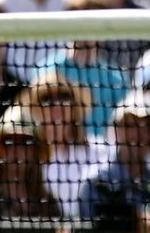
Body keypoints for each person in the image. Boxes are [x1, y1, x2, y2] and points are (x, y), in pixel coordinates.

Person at [18, 72, 100, 217]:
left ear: (74, 107)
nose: (56, 104)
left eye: (64, 96)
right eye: (47, 98)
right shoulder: (29, 156)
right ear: (36, 109)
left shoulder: (99, 151)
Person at [0, 105, 63, 218]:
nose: (17, 149)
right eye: (9, 142)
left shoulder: (47, 203)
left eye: (25, 142)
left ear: (36, 151)